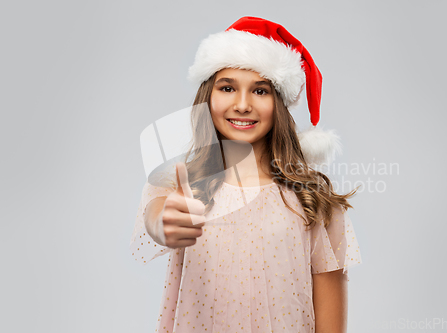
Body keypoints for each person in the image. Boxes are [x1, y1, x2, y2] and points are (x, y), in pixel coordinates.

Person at [130, 16, 362, 333]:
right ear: (208, 97)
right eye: (227, 88)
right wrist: (165, 222)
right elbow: (157, 219)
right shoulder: (180, 184)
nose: (242, 104)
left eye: (260, 91)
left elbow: (330, 321)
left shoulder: (312, 200)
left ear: (279, 103)